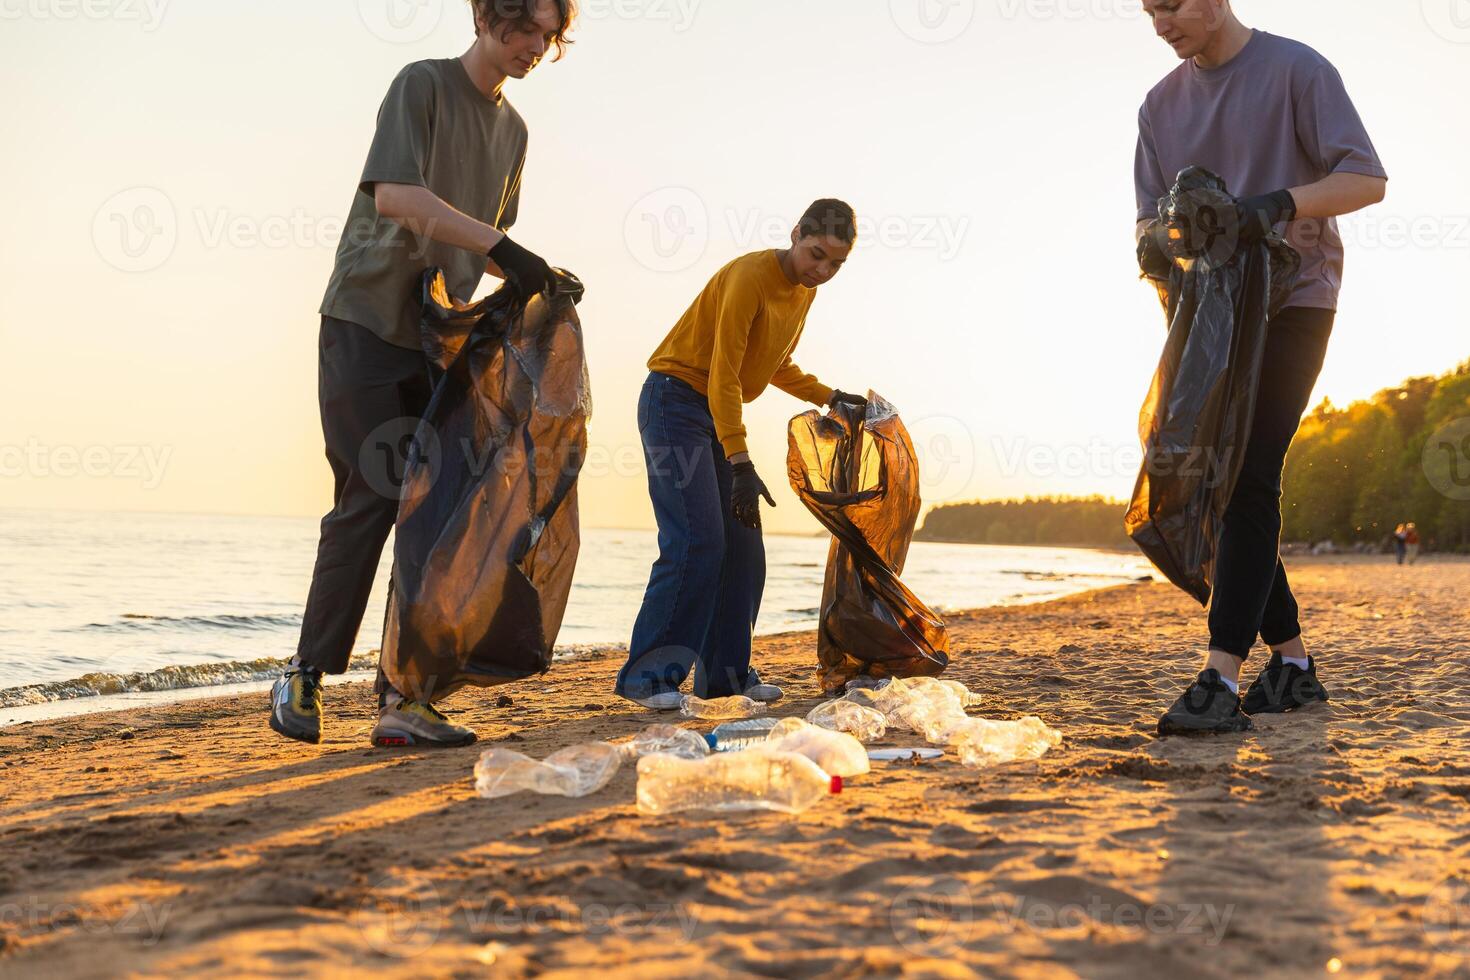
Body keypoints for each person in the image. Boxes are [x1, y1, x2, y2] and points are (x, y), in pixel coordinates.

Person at [269, 0, 577, 748]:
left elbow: (470, 256)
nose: (533, 46)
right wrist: (507, 247)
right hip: (365, 321)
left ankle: (404, 697)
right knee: (372, 495)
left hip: (435, 340)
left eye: (549, 36)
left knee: (436, 518)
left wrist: (534, 284)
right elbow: (399, 198)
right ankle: (304, 674)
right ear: (484, 15)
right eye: (523, 27)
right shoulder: (423, 85)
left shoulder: (515, 133)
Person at [1134, 0, 1388, 735]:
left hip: (1296, 299)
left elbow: (1367, 179)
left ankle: (1219, 677)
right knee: (1212, 478)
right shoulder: (1158, 106)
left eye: (1171, 6)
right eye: (1149, 11)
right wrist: (1152, 243)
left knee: (1249, 471)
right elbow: (1148, 218)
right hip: (1203, 315)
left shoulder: (1296, 71)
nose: (1161, 24)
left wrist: (1273, 205)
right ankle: (1296, 669)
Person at [616, 200, 869, 709]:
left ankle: (726, 677)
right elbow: (724, 373)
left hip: (714, 413)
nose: (821, 270)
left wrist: (829, 396)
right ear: (796, 233)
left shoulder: (802, 291)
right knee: (697, 541)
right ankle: (648, 678)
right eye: (816, 254)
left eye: (835, 264)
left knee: (745, 552)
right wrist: (741, 463)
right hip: (674, 404)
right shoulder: (750, 276)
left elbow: (772, 363)